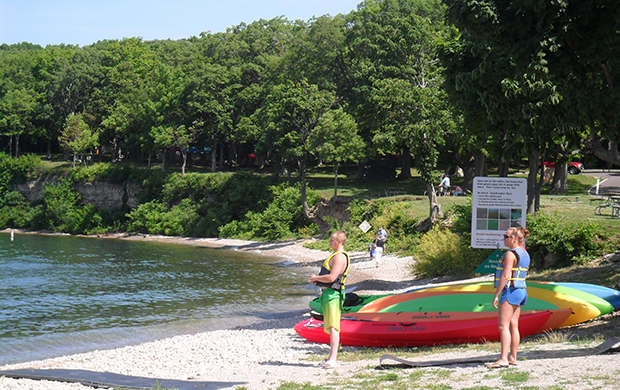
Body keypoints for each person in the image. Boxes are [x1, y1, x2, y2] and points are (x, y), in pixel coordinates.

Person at [489, 227, 531, 368]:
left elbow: (506, 276)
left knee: (503, 326)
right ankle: (512, 357)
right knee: (514, 325)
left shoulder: (510, 254)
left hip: (511, 291)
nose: (503, 238)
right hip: (521, 290)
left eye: (506, 236)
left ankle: (503, 359)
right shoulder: (524, 253)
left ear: (514, 238)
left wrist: (497, 294)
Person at [309, 231, 350, 369]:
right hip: (328, 294)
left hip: (333, 295)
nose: (329, 242)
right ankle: (330, 358)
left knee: (333, 326)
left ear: (339, 242)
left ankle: (333, 359)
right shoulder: (336, 256)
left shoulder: (339, 257)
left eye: (332, 240)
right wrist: (319, 281)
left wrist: (316, 278)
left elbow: (332, 278)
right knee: (331, 325)